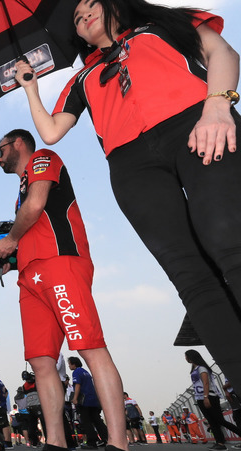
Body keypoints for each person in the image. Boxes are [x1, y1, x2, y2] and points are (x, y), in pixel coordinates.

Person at [13, 0, 241, 392]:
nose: (82, 15)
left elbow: (221, 50)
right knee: (189, 277)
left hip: (197, 125)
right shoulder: (83, 76)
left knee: (228, 240)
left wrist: (218, 103)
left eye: (89, 5)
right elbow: (50, 131)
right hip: (131, 164)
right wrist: (31, 88)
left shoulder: (163, 26)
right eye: (76, 18)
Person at [0, 129, 142, 451]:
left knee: (89, 347)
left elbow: (38, 205)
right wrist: (7, 261)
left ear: (18, 144)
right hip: (30, 275)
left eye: (0, 150)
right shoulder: (20, 191)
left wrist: (10, 240)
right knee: (41, 362)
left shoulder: (43, 158)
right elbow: (31, 228)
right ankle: (57, 450)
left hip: (60, 263)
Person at [185, 349, 241, 451]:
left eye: (186, 356)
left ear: (191, 356)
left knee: (220, 420)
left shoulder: (202, 368)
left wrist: (206, 397)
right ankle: (220, 443)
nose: (185, 358)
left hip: (209, 396)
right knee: (212, 421)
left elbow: (206, 382)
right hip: (200, 398)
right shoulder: (195, 368)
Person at [69, 356, 108, 450]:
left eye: (70, 364)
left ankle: (92, 442)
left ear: (74, 364)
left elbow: (77, 384)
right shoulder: (86, 372)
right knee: (97, 421)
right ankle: (106, 439)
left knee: (86, 422)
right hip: (93, 400)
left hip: (84, 401)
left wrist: (75, 398)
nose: (69, 366)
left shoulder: (76, 372)